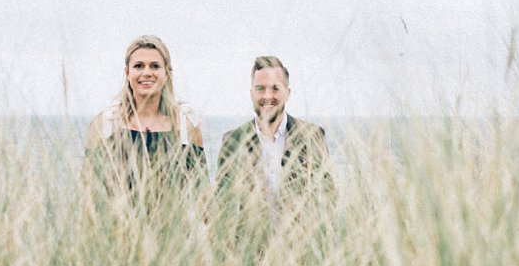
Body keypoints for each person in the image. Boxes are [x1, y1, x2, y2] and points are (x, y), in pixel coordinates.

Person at [84, 35, 207, 202]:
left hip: (175, 227)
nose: (147, 73)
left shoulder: (186, 126)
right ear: (127, 73)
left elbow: (203, 196)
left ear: (167, 74)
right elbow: (88, 195)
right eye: (139, 66)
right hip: (117, 227)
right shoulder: (104, 125)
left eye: (155, 66)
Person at [216, 55, 335, 219]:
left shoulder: (312, 136)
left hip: (299, 243)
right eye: (260, 88)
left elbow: (328, 198)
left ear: (288, 93)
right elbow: (222, 207)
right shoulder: (233, 141)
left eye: (275, 88)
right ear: (251, 94)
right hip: (251, 243)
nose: (267, 96)